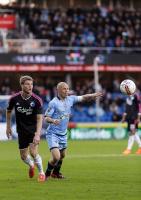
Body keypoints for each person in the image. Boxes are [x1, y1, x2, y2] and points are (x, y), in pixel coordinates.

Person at [44, 82, 103, 180]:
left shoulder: (70, 99)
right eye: (64, 89)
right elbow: (46, 117)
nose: (67, 91)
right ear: (58, 90)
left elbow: (83, 97)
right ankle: (46, 174)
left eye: (67, 89)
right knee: (56, 157)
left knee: (62, 155)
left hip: (63, 133)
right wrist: (53, 120)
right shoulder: (53, 103)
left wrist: (93, 95)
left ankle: (56, 173)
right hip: (53, 133)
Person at [6, 75, 45, 182]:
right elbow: (8, 111)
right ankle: (31, 165)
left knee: (33, 152)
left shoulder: (37, 100)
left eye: (31, 84)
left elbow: (40, 118)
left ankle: (41, 173)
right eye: (27, 84)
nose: (30, 86)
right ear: (22, 85)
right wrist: (8, 127)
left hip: (33, 130)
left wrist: (37, 134)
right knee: (23, 156)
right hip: (21, 130)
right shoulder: (14, 98)